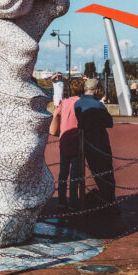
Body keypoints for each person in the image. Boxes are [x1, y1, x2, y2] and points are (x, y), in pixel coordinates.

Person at [75, 78, 116, 206]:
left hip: (86, 143)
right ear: (96, 90)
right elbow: (109, 123)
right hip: (101, 143)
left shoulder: (77, 104)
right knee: (106, 174)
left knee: (95, 172)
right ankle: (109, 199)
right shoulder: (98, 105)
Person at [49, 78, 84, 208]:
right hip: (77, 140)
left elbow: (55, 114)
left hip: (64, 139)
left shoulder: (64, 102)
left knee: (63, 172)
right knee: (75, 173)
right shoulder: (81, 103)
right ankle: (73, 199)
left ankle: (61, 200)